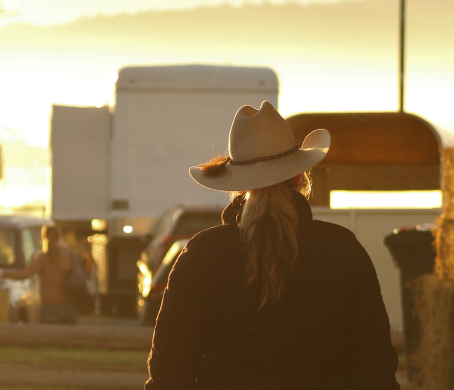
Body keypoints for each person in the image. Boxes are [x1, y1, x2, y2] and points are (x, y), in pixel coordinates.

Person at [144, 102, 399, 390]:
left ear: (238, 186)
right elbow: (374, 362)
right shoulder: (342, 248)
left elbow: (170, 363)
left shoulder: (203, 253)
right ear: (299, 176)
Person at [0, 225, 80, 325]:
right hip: (70, 307)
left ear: (44, 237)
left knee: (49, 339)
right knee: (70, 339)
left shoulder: (42, 258)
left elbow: (24, 274)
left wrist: (1, 273)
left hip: (50, 307)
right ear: (59, 236)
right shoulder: (70, 255)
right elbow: (78, 277)